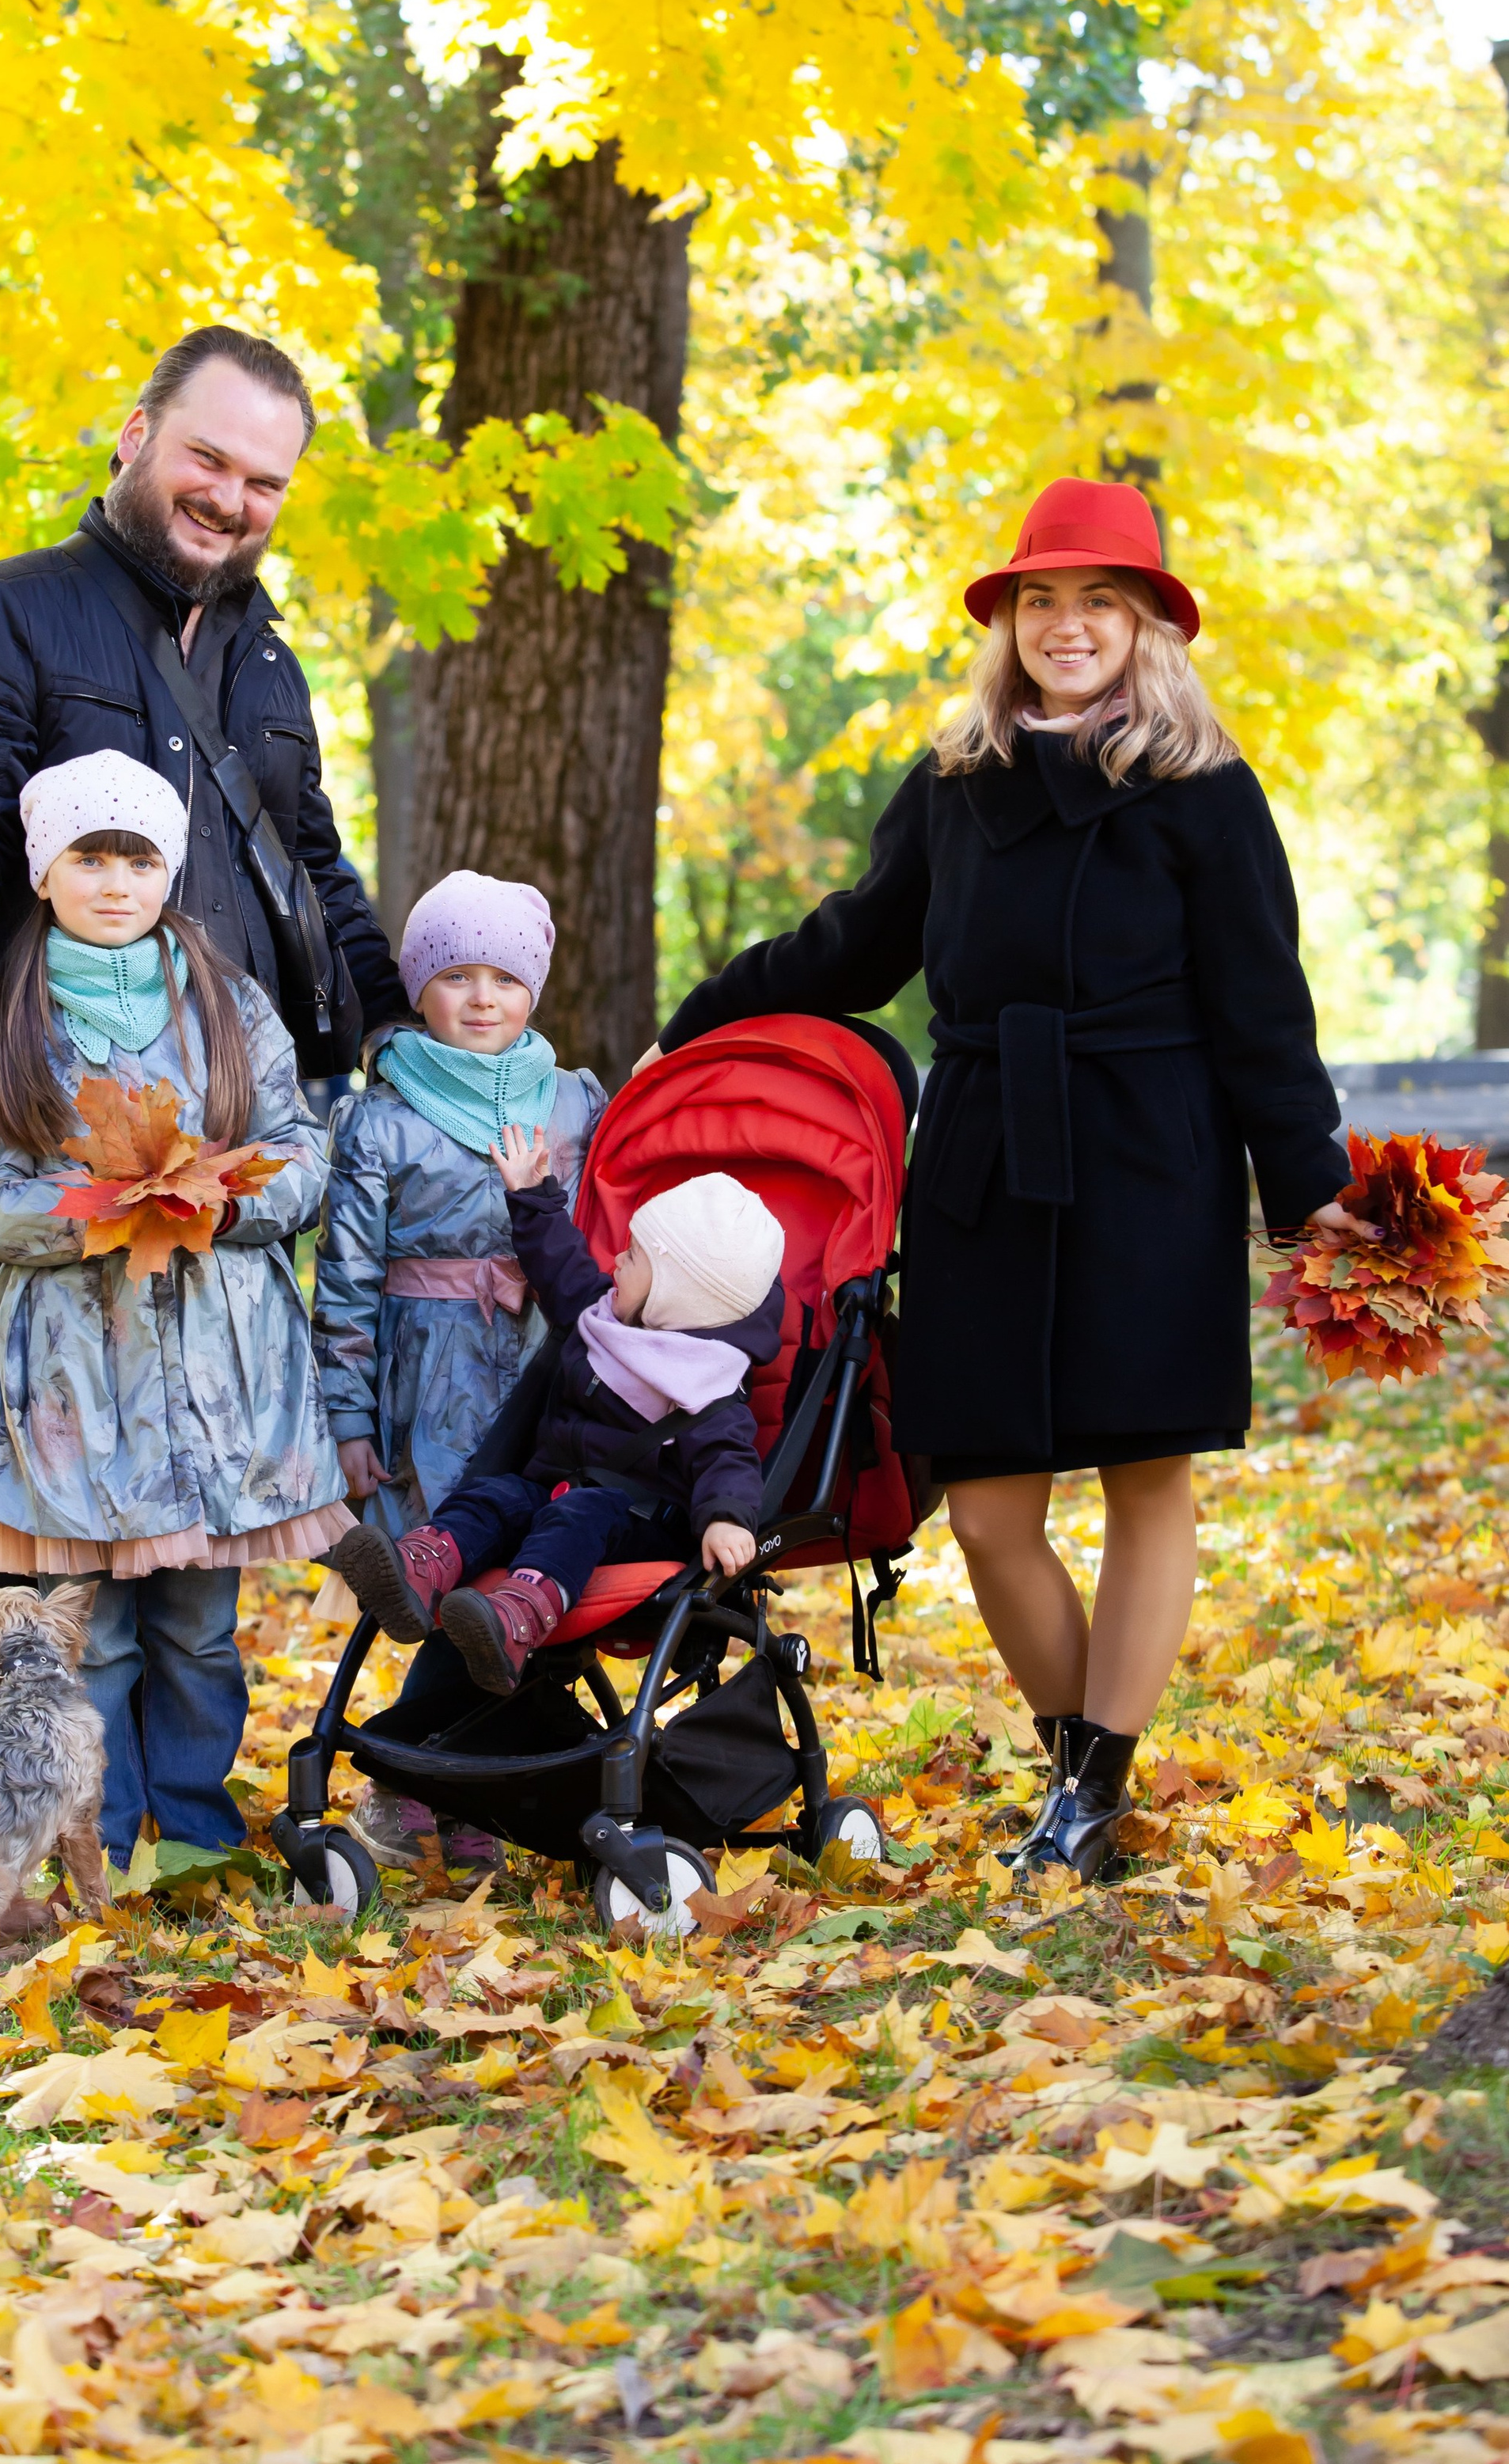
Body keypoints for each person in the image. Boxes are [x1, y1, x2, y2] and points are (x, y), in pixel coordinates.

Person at [644, 479, 1362, 1884]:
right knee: (986, 1505)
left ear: (1150, 623)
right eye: (1043, 599)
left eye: (1101, 600)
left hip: (1152, 1152)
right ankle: (1076, 1773)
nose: (1069, 625)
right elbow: (852, 948)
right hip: (977, 1158)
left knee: (1150, 1474)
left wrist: (1310, 1180)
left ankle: (1087, 1802)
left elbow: (1266, 1010)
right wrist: (696, 1020)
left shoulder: (1205, 793)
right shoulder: (958, 785)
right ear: (1010, 620)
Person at [0, 323, 404, 1813]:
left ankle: (161, 1808)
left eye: (265, 481)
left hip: (228, 1149)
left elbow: (314, 873)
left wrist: (395, 1044)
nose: (231, 497)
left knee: (180, 1515)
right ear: (135, 431)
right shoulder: (2, 621)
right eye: (208, 457)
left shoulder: (263, 653)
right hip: (38, 1123)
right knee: (15, 1498)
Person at [0, 750, 350, 1859]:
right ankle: (109, 1837)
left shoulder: (230, 1006)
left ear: (168, 872)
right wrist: (103, 1211)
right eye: (90, 857)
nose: (116, 881)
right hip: (78, 1370)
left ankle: (193, 1830)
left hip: (219, 1366)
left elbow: (299, 1151)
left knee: (200, 1628)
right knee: (98, 1638)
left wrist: (224, 1207)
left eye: (138, 858)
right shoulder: (8, 1017)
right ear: (46, 872)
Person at [310, 871, 605, 1865]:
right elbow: (344, 1282)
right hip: (426, 1373)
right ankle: (414, 1787)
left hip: (541, 1369)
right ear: (419, 989)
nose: (482, 997)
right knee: (442, 1562)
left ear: (535, 988)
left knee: (516, 1566)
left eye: (504, 978)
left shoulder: (572, 1102)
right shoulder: (381, 1117)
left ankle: (465, 1779)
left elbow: (609, 1236)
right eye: (456, 977)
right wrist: (348, 1421)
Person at [329, 1137, 785, 1695]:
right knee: (494, 1495)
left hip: (636, 1521)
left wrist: (727, 1518)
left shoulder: (705, 1381)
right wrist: (531, 1194)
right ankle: (419, 1571)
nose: (618, 1258)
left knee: (579, 1516)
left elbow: (728, 1458)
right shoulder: (604, 1320)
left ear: (673, 1291)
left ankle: (516, 1618)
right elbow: (560, 1261)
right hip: (552, 1492)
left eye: (636, 1256)